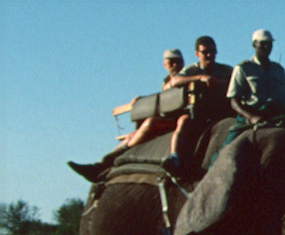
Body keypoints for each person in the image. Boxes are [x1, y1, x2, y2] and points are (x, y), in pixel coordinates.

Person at [68, 49, 193, 181]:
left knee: (150, 123)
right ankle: (101, 164)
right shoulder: (166, 81)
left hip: (178, 120)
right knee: (132, 135)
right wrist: (142, 100)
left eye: (177, 61)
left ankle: (118, 154)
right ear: (165, 64)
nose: (174, 65)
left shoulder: (185, 77)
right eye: (171, 62)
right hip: (167, 119)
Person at [161, 35, 235, 176]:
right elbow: (175, 81)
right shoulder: (193, 70)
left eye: (212, 51)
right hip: (199, 113)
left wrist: (221, 83)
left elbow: (239, 81)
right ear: (197, 54)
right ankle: (175, 157)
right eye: (205, 52)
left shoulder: (226, 70)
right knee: (183, 121)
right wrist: (200, 78)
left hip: (223, 111)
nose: (209, 55)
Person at [228, 28, 285, 125]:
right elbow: (234, 101)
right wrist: (251, 117)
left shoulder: (279, 70)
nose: (267, 47)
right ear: (254, 44)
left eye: (269, 43)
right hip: (253, 112)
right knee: (231, 139)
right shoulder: (243, 68)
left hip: (278, 114)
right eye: (263, 43)